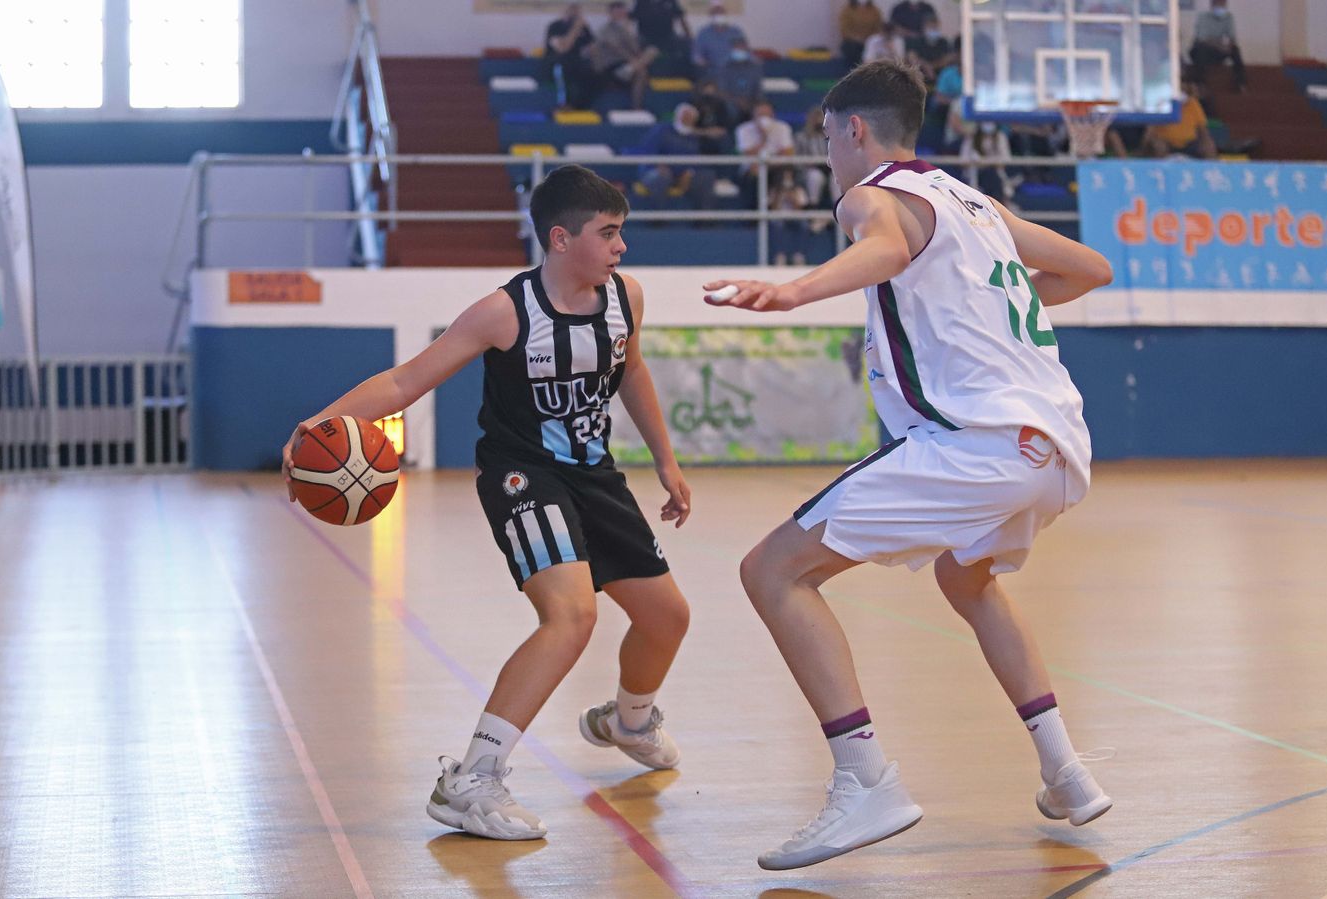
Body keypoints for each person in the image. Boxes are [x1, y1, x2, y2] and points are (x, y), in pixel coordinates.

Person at [702, 59, 1116, 870]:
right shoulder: (976, 202)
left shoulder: (871, 196)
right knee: (968, 579)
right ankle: (1067, 772)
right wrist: (991, 303)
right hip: (1058, 446)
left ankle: (866, 781)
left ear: (855, 130)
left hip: (979, 444)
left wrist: (795, 291)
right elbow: (1088, 269)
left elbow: (885, 248)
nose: (827, 158)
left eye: (826, 140)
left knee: (773, 572)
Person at [282, 165, 694, 841]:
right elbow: (404, 379)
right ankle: (471, 779)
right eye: (609, 233)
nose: (622, 246)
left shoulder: (627, 298)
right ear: (561, 239)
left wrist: (666, 459)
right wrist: (315, 425)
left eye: (623, 232)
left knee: (667, 617)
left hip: (596, 475)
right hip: (522, 477)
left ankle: (628, 720)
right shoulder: (506, 312)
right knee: (571, 616)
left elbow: (634, 369)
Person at [591, 1, 661, 109]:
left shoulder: (629, 29)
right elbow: (616, 48)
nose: (620, 14)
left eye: (622, 11)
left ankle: (630, 70)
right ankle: (636, 107)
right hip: (612, 66)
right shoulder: (605, 29)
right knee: (642, 72)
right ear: (611, 13)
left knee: (652, 50)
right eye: (617, 12)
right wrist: (633, 61)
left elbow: (637, 50)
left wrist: (628, 32)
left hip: (629, 66)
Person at [735, 100, 795, 207]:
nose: (764, 118)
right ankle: (756, 212)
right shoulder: (743, 129)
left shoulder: (782, 127)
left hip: (777, 166)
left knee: (782, 174)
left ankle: (774, 209)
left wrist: (771, 160)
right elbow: (748, 154)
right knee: (755, 173)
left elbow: (788, 152)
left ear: (773, 115)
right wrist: (763, 137)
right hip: (752, 169)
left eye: (767, 114)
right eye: (761, 114)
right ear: (753, 115)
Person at [545, 3, 599, 110]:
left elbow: (593, 48)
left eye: (577, 10)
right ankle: (563, 103)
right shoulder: (555, 27)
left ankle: (581, 106)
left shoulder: (584, 29)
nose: (575, 12)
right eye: (572, 9)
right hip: (557, 61)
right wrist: (575, 29)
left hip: (577, 61)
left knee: (594, 74)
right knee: (560, 69)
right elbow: (563, 48)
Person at [1143, 83, 1217, 158]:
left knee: (1208, 146)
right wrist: (1145, 144)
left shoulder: (1192, 103)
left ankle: (1212, 169)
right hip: (1166, 142)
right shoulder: (1162, 103)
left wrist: (1207, 142)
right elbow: (1151, 128)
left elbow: (1202, 128)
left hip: (1190, 143)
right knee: (1158, 146)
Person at [1189, 0, 1246, 92]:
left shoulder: (1228, 17)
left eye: (1223, 4)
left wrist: (1229, 46)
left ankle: (1240, 83)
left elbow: (1232, 37)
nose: (1221, 7)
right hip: (1201, 50)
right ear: (1212, 5)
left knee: (1235, 50)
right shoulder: (1203, 17)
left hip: (1217, 50)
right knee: (1201, 50)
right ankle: (1200, 83)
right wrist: (1220, 46)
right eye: (1218, 4)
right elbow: (1203, 39)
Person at [692, 2, 747, 77]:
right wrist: (700, 61)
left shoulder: (735, 32)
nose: (719, 15)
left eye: (721, 12)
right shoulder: (703, 33)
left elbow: (745, 53)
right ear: (711, 15)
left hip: (734, 73)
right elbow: (696, 55)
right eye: (715, 12)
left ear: (725, 14)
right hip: (712, 74)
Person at [631, 0, 692, 65]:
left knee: (686, 44)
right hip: (645, 38)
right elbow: (629, 19)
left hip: (668, 37)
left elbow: (681, 19)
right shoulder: (641, 2)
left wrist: (690, 37)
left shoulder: (671, 2)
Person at [838, 0, 885, 71]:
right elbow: (844, 29)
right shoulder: (847, 10)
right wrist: (857, 38)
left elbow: (878, 27)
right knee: (851, 48)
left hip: (870, 40)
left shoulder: (875, 10)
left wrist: (869, 38)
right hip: (853, 41)